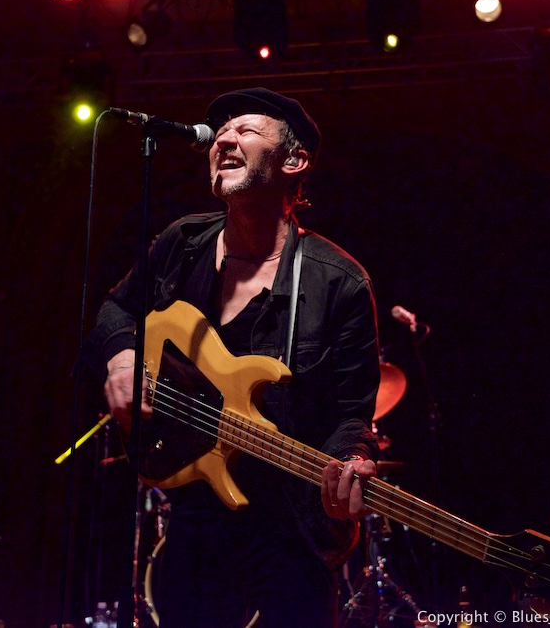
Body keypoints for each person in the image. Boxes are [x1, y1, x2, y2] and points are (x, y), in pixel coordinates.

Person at [86, 88, 380, 627]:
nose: (223, 138)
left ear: (293, 161)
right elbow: (115, 309)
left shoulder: (340, 282)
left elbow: (351, 412)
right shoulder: (183, 243)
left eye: (245, 131)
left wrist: (350, 463)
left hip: (290, 524)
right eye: (219, 131)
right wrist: (123, 361)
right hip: (196, 513)